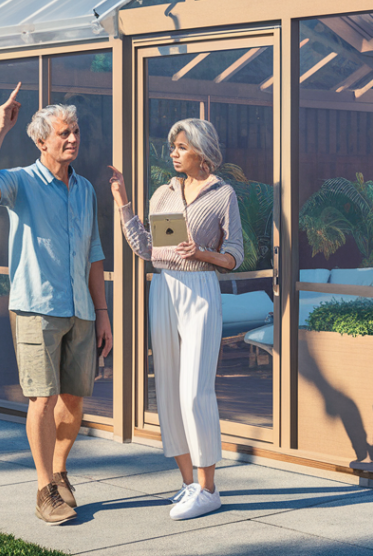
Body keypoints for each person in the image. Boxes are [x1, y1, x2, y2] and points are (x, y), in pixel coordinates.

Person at [0, 83, 113, 525]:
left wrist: (103, 313)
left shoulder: (85, 188)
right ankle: (43, 488)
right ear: (41, 140)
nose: (72, 139)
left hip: (82, 312)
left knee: (73, 399)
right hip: (36, 308)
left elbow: (94, 254)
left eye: (76, 132)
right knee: (42, 400)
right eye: (64, 133)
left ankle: (61, 471)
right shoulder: (21, 182)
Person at [108, 118, 243, 521]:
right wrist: (122, 200)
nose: (173, 153)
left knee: (194, 392)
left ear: (201, 150)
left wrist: (202, 252)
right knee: (167, 388)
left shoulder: (223, 194)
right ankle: (188, 484)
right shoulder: (163, 193)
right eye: (173, 147)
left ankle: (209, 488)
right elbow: (146, 248)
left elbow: (234, 255)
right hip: (163, 289)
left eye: (180, 146)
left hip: (200, 289)